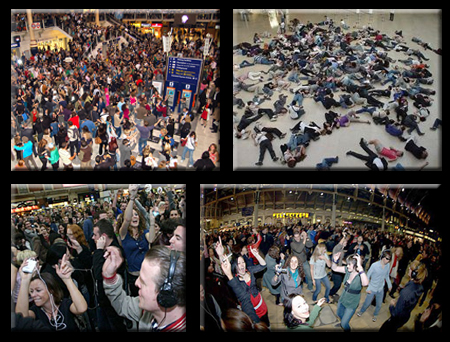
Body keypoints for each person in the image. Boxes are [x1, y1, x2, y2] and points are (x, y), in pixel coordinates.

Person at [102, 245, 186, 332]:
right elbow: (123, 304)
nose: (136, 283)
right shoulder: (148, 311)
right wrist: (109, 276)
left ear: (165, 294)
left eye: (143, 281)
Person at [16, 254, 88, 331]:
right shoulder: (35, 311)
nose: (33, 295)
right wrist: (25, 281)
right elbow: (21, 318)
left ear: (51, 290)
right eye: (31, 291)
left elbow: (82, 308)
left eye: (38, 290)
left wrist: (67, 279)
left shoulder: (65, 304)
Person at [215, 237, 269, 327]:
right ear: (235, 266)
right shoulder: (235, 280)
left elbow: (263, 265)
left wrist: (257, 255)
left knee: (266, 326)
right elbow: (226, 270)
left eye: (243, 262)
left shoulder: (250, 270)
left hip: (261, 305)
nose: (242, 265)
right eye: (239, 264)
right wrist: (221, 255)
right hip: (250, 310)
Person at [379, 260, 426, 332]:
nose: (409, 269)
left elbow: (395, 313)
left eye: (410, 268)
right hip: (405, 317)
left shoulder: (406, 293)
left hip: (396, 319)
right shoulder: (420, 287)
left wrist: (392, 305)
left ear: (414, 274)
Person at [331, 252, 369, 331]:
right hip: (343, 298)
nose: (347, 265)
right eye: (347, 264)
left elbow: (365, 283)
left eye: (349, 264)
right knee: (339, 314)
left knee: (345, 324)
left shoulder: (360, 275)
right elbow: (334, 268)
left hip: (352, 302)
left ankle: (344, 325)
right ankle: (343, 322)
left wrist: (360, 267)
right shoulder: (348, 270)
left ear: (356, 265)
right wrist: (334, 260)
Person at [357, 249, 392, 322]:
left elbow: (387, 276)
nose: (388, 261)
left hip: (380, 288)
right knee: (367, 303)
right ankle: (361, 311)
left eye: (389, 259)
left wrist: (389, 285)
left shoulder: (387, 266)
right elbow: (367, 276)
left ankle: (375, 314)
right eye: (387, 259)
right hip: (372, 288)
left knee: (379, 304)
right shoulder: (374, 265)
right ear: (383, 257)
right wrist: (367, 288)